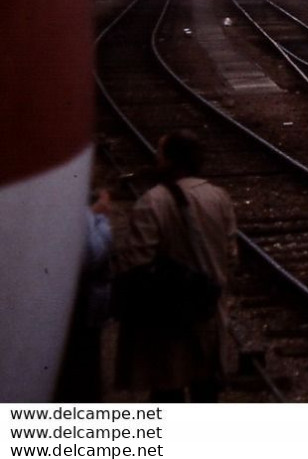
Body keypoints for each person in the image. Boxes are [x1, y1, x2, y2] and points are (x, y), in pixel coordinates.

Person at [114, 131, 237, 403]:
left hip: (166, 318)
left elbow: (135, 262)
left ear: (170, 160)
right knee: (206, 392)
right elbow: (231, 255)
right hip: (209, 309)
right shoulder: (218, 197)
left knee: (167, 390)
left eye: (160, 152)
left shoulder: (152, 201)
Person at [54, 188, 114, 401]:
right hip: (78, 303)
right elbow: (91, 253)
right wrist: (99, 217)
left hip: (78, 302)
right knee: (81, 375)